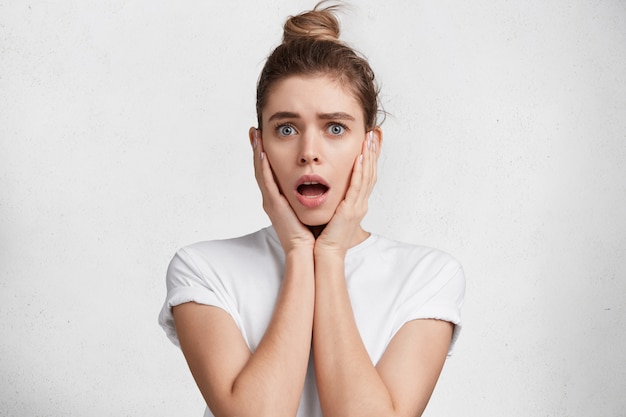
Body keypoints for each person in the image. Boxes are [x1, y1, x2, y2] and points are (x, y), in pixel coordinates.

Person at [158, 2, 465, 416]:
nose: (309, 153)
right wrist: (300, 253)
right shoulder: (203, 269)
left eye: (335, 128)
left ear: (370, 145)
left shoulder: (427, 277)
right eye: (286, 128)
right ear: (258, 144)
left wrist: (332, 255)